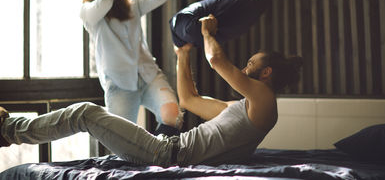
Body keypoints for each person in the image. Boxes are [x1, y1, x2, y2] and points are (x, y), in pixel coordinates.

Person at [0, 14, 303, 166]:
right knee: (87, 115)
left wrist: (208, 32)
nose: (245, 66)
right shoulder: (238, 109)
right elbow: (188, 100)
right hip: (164, 146)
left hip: (165, 153)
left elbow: (217, 59)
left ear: (267, 72)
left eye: (251, 63)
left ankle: (9, 130)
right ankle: (9, 130)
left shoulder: (265, 100)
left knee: (85, 113)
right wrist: (182, 55)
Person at [76, 0, 182, 136]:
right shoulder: (88, 12)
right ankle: (145, 160)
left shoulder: (132, 0)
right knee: (122, 140)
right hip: (119, 84)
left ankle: (159, 157)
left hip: (149, 75)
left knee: (173, 117)